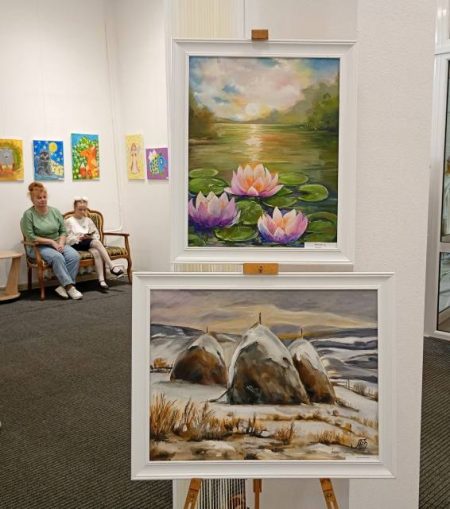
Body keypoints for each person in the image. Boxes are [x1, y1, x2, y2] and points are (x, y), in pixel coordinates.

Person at [21, 182, 83, 300]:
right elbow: (30, 236)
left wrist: (61, 243)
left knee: (74, 256)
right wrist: (51, 242)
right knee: (57, 257)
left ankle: (62, 287)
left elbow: (63, 231)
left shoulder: (55, 211)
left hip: (57, 243)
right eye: (39, 198)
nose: (42, 200)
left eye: (44, 197)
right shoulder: (28, 214)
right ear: (32, 199)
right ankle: (70, 287)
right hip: (37, 247)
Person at [64, 197, 124, 291]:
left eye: (84, 209)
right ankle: (112, 266)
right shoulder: (69, 221)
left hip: (87, 242)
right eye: (80, 209)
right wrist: (78, 238)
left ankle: (101, 280)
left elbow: (96, 234)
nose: (82, 211)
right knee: (96, 243)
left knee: (96, 251)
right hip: (75, 244)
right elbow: (66, 238)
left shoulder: (88, 220)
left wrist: (89, 237)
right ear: (74, 208)